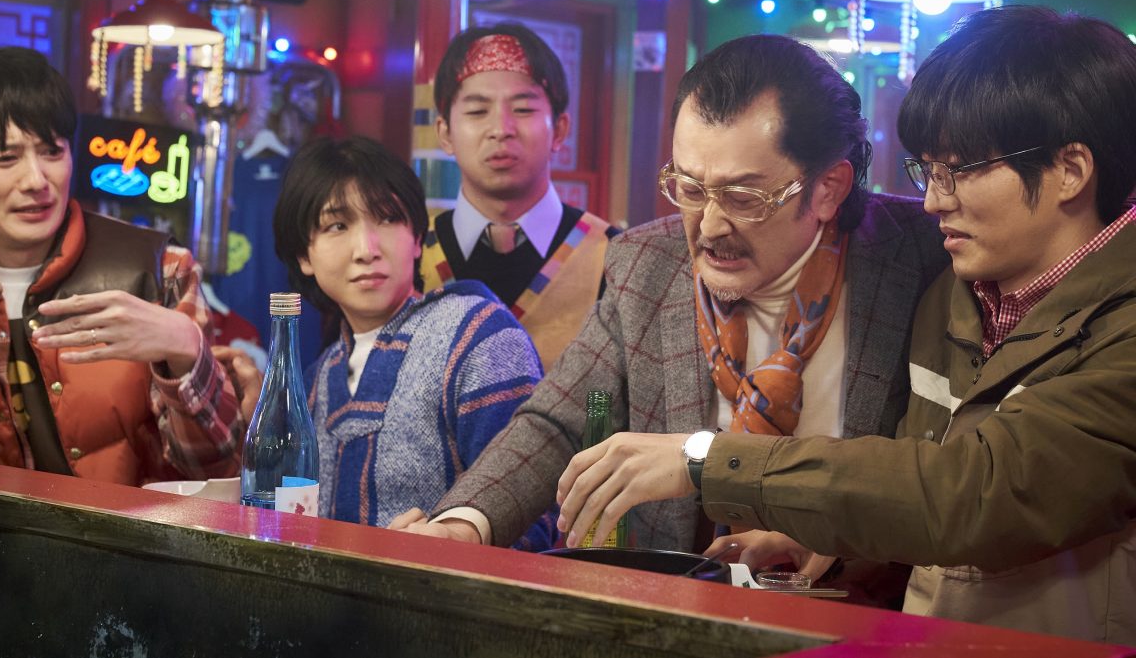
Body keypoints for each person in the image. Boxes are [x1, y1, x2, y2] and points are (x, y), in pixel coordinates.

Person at [555, 7, 1136, 645]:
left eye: (960, 170)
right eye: (928, 171)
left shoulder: (1120, 326)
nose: (934, 200)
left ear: (1070, 171)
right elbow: (915, 494)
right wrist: (826, 543)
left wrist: (705, 459)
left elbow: (978, 493)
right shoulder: (954, 297)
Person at [392, 35, 948, 575]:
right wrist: (464, 524)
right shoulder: (647, 264)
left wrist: (837, 531)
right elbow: (556, 421)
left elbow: (951, 480)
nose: (709, 227)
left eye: (742, 197)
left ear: (828, 188)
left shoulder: (921, 257)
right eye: (690, 189)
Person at [0, 46, 242, 485]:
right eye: (5, 159)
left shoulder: (158, 267)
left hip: (122, 530)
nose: (36, 181)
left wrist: (185, 348)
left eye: (52, 152)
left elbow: (218, 468)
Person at [272, 135, 552, 548]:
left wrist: (450, 542)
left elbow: (534, 513)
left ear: (418, 238)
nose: (367, 249)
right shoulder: (315, 379)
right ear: (304, 256)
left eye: (387, 219)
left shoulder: (479, 337)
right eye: (337, 226)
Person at [422, 23, 620, 369]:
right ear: (445, 133)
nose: (501, 129)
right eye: (477, 111)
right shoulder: (411, 255)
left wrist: (593, 404)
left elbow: (615, 394)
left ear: (559, 130)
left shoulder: (614, 258)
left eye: (524, 109)